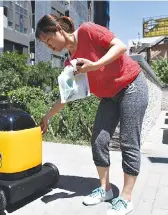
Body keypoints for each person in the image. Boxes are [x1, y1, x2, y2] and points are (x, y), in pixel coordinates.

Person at [35, 14, 149, 215]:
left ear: (59, 30)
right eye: (45, 44)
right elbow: (65, 97)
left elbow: (120, 47)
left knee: (129, 140)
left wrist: (94, 66)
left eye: (48, 40)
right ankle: (105, 190)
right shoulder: (69, 64)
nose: (49, 46)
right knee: (98, 140)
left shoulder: (88, 31)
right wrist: (46, 117)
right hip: (109, 97)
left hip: (131, 85)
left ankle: (126, 197)